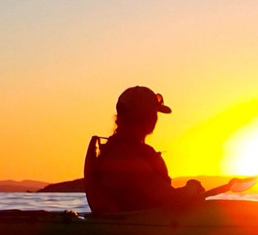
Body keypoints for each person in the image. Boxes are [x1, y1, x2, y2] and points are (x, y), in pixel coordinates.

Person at [84, 86, 206, 215]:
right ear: (140, 116)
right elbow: (168, 196)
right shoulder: (122, 156)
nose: (155, 118)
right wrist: (192, 187)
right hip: (137, 224)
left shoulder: (120, 150)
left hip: (147, 220)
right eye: (152, 113)